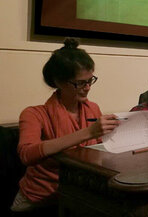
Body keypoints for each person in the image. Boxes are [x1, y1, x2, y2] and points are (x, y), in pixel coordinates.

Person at [12, 38, 120, 214]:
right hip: (40, 199)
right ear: (59, 82)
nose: (87, 88)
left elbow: (100, 151)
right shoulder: (33, 114)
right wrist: (87, 132)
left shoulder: (93, 108)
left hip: (81, 193)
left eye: (90, 80)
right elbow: (26, 154)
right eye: (80, 83)